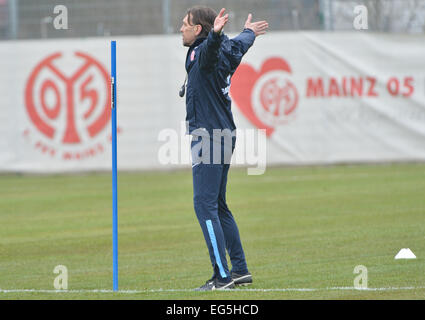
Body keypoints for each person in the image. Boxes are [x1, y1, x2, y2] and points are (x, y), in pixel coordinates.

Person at [179, 6, 268, 291]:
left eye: (185, 24)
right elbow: (239, 45)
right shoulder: (228, 49)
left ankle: (222, 277)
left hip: (207, 137)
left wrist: (215, 34)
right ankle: (239, 270)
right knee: (217, 205)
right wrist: (248, 33)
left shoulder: (203, 52)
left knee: (204, 206)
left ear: (198, 30)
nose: (181, 28)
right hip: (224, 134)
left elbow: (208, 54)